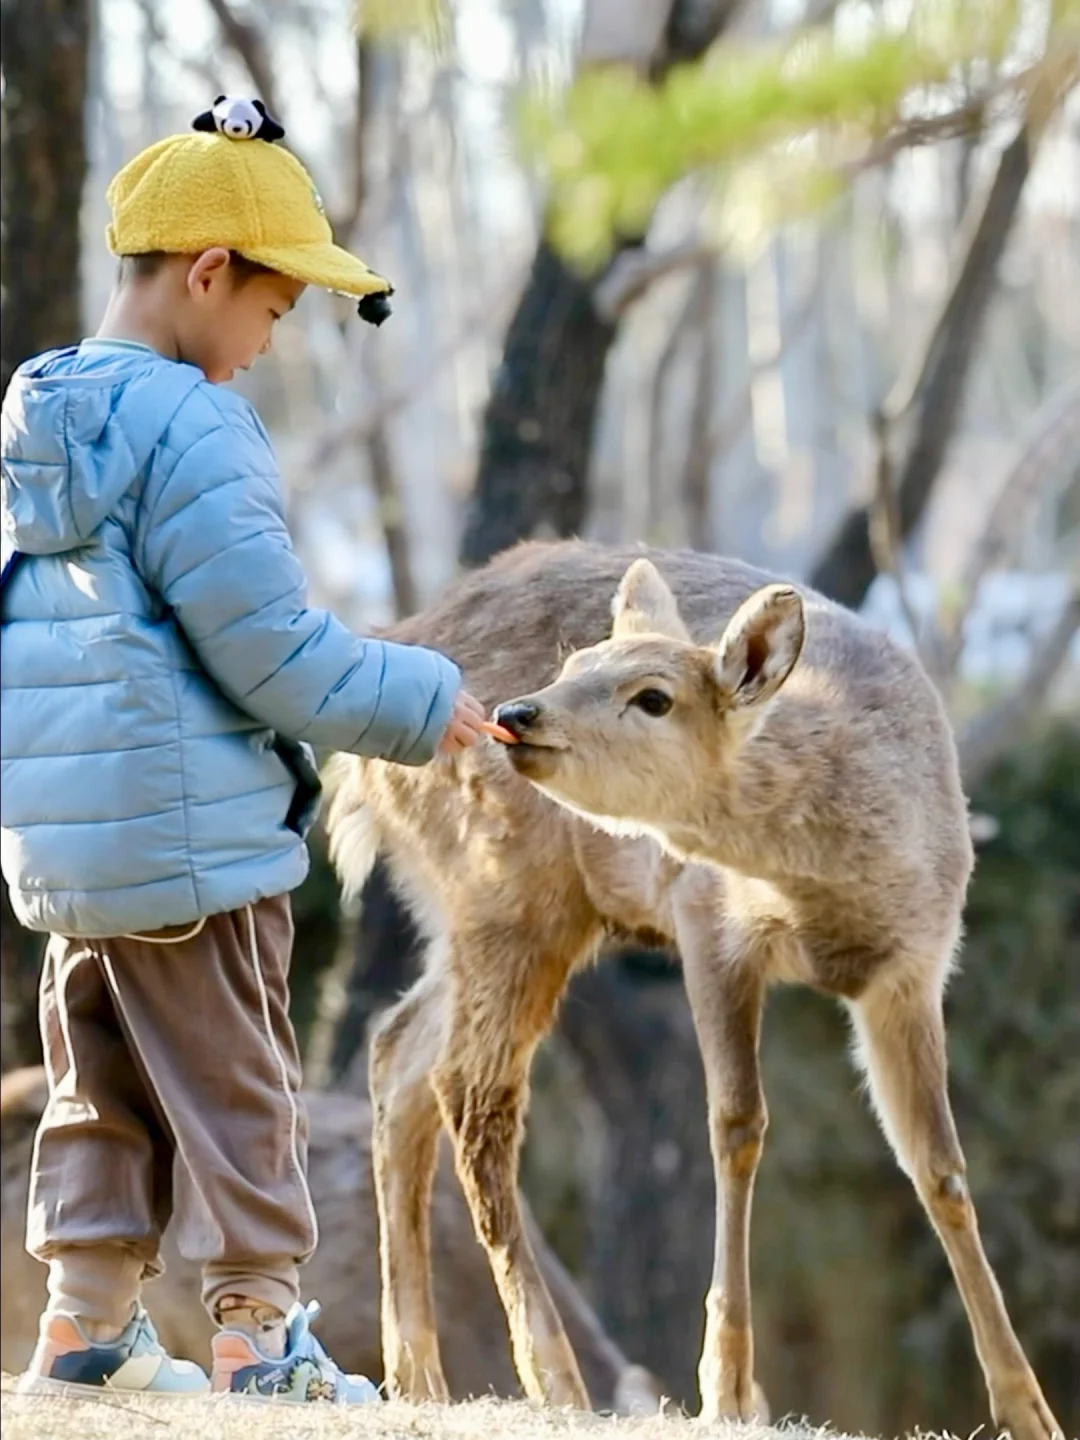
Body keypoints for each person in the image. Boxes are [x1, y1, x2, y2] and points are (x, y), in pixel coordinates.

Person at [0, 95, 486, 1404]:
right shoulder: (193, 427)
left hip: (68, 858)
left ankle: (83, 1329)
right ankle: (259, 1337)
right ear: (208, 273)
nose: (270, 343)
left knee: (95, 1088)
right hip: (194, 850)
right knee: (240, 1095)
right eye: (274, 309)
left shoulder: (38, 426)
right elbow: (266, 645)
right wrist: (418, 697)